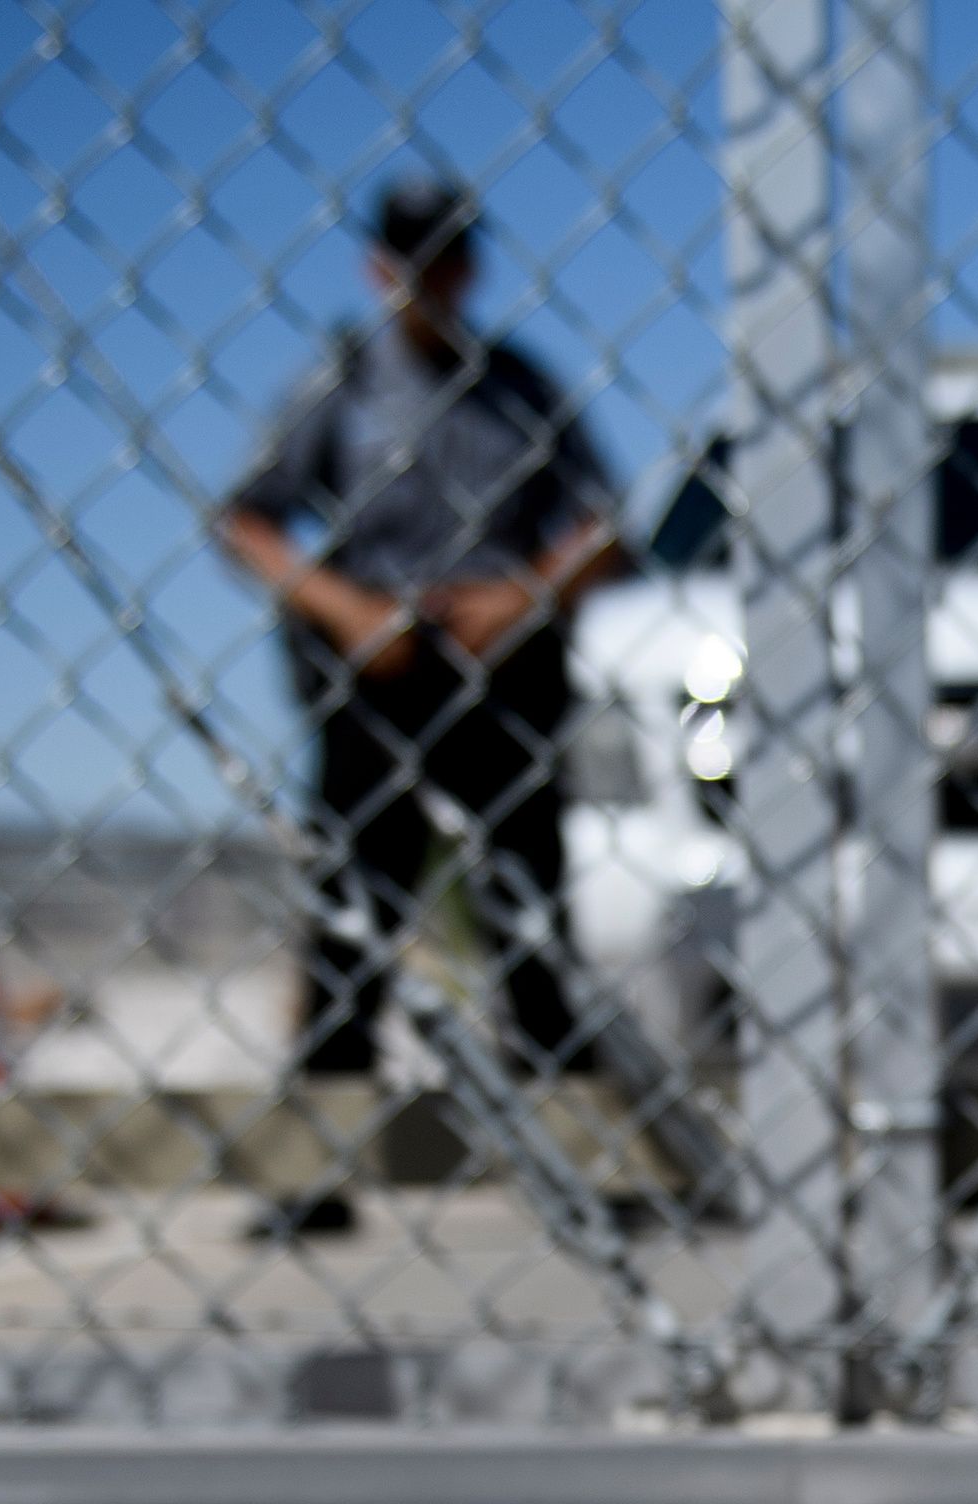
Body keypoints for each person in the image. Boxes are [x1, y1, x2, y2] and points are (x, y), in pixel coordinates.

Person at [219, 176, 630, 1154]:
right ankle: (319, 1149)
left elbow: (606, 524)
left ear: (469, 266)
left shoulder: (520, 386)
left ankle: (568, 1137)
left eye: (444, 255)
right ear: (378, 266)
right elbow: (248, 519)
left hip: (504, 665)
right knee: (355, 913)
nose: (426, 278)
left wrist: (525, 595)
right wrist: (347, 610)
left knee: (530, 907)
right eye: (407, 257)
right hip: (381, 676)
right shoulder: (343, 383)